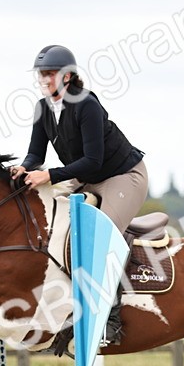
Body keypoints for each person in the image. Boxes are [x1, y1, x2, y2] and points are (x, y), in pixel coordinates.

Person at [10, 44, 148, 236]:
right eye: (41, 74)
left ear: (66, 77)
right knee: (47, 223)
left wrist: (49, 175)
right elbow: (35, 154)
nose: (43, 80)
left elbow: (93, 160)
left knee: (101, 237)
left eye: (49, 74)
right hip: (85, 179)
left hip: (122, 176)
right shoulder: (42, 108)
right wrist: (23, 168)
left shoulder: (87, 105)